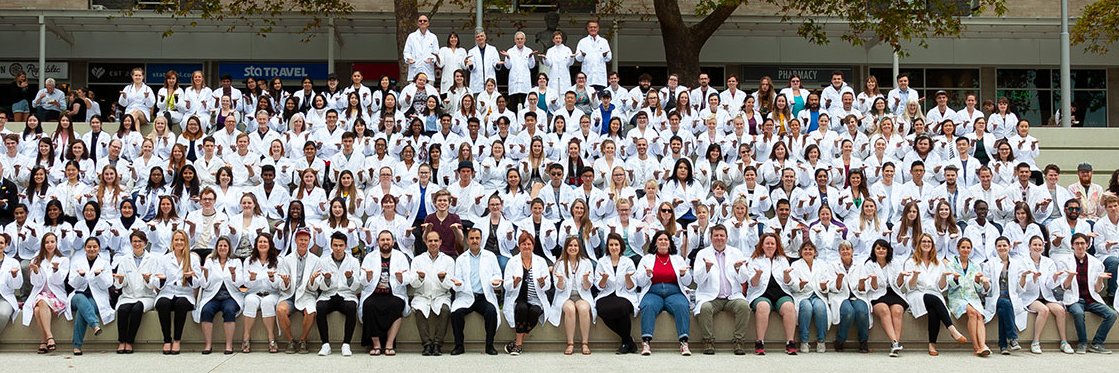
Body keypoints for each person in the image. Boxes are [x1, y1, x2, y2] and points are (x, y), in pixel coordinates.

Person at [903, 233, 967, 356]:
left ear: (932, 245)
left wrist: (943, 276)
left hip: (934, 294)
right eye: (924, 241)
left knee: (934, 310)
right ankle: (952, 330)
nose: (926, 244)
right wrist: (915, 276)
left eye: (929, 242)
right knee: (933, 299)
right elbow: (910, 286)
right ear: (919, 244)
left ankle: (932, 345)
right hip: (917, 294)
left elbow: (941, 287)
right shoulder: (911, 262)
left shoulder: (939, 263)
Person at [634, 230, 693, 356]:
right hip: (653, 292)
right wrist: (647, 274)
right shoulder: (647, 259)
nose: (663, 242)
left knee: (682, 305)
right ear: (655, 243)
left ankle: (684, 343)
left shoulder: (678, 259)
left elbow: (688, 282)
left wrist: (683, 274)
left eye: (666, 239)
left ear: (670, 243)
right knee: (648, 305)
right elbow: (639, 282)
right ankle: (646, 342)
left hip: (674, 293)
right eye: (660, 239)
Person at [693, 225, 750, 355]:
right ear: (711, 237)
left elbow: (743, 279)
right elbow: (697, 280)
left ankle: (739, 341)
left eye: (722, 235)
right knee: (705, 308)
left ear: (727, 238)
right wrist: (706, 268)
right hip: (711, 297)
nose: (719, 238)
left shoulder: (736, 253)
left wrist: (738, 269)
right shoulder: (702, 254)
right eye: (716, 235)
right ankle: (708, 341)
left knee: (744, 306)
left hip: (732, 296)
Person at [449, 228, 503, 355]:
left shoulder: (490, 256)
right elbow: (458, 278)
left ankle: (489, 345)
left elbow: (497, 274)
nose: (474, 241)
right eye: (472, 238)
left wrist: (495, 282)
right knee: (456, 313)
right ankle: (459, 346)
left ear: (481, 239)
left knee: (491, 311)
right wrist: (458, 283)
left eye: (477, 238)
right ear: (467, 240)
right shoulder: (461, 259)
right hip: (466, 296)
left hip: (483, 297)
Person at [1060, 233, 1117, 354]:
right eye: (1077, 243)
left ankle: (1097, 343)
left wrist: (1100, 279)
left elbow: (1097, 289)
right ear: (1072, 245)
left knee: (1112, 314)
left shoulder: (1096, 263)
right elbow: (1065, 287)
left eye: (1082, 243)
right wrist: (1070, 276)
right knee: (1078, 313)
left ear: (1087, 245)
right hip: (1074, 298)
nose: (1080, 246)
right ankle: (1082, 343)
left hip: (1091, 298)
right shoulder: (1065, 262)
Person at [1019, 235, 1075, 354]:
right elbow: (1023, 286)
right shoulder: (1022, 261)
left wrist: (1054, 277)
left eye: (1040, 245)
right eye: (1034, 245)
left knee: (1060, 310)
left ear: (1043, 247)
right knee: (1044, 310)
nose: (1037, 247)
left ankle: (1064, 342)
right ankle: (1035, 342)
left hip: (1046, 296)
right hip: (1030, 297)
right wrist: (1033, 278)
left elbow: (1050, 285)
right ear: (1029, 247)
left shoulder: (1049, 262)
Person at [501, 231, 554, 356]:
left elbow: (548, 285)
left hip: (536, 298)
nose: (526, 247)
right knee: (522, 308)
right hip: (518, 298)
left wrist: (542, 283)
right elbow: (506, 285)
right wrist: (514, 283)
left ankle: (517, 342)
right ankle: (518, 346)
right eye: (523, 244)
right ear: (519, 246)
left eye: (529, 244)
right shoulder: (512, 262)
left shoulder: (541, 261)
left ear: (533, 246)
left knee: (535, 311)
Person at [359, 230, 411, 356]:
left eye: (388, 240)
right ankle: (376, 344)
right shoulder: (369, 257)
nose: (385, 242)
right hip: (374, 293)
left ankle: (389, 344)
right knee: (368, 305)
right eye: (382, 240)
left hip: (394, 293)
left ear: (393, 242)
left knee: (397, 305)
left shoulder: (401, 256)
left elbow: (408, 277)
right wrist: (368, 277)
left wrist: (400, 278)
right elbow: (362, 279)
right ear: (378, 242)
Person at [745, 232, 798, 355]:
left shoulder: (782, 260)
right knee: (763, 306)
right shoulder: (754, 260)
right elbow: (753, 283)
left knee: (789, 307)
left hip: (780, 292)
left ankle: (790, 342)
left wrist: (786, 276)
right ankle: (760, 342)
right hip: (761, 293)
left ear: (776, 245)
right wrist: (757, 275)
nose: (770, 246)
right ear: (762, 245)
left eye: (772, 243)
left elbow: (789, 282)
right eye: (767, 243)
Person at [311, 232, 361, 357]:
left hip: (347, 294)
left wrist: (350, 278)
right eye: (335, 245)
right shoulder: (323, 261)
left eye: (341, 245)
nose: (338, 248)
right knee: (320, 307)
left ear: (345, 246)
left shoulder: (354, 261)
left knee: (351, 307)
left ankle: (346, 344)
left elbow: (356, 286)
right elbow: (320, 286)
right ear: (331, 246)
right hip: (328, 294)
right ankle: (325, 344)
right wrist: (327, 279)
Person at [155, 230, 202, 355]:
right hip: (167, 292)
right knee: (163, 303)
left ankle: (176, 340)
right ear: (172, 242)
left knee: (181, 303)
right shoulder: (164, 259)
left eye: (182, 240)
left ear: (186, 242)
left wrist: (190, 278)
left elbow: (198, 282)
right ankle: (167, 340)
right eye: (176, 240)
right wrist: (161, 280)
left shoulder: (193, 259)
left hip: (185, 293)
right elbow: (156, 280)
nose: (179, 242)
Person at [112, 231, 159, 354]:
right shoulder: (124, 259)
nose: (137, 244)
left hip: (146, 296)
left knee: (137, 309)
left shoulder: (153, 259)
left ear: (145, 243)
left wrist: (148, 280)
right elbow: (119, 284)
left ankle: (129, 342)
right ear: (130, 243)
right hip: (128, 296)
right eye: (134, 241)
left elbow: (154, 284)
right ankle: (122, 341)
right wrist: (120, 280)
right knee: (123, 309)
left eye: (140, 241)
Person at [944, 238, 993, 356]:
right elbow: (950, 284)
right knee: (972, 313)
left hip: (972, 297)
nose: (966, 250)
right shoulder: (951, 264)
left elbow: (979, 289)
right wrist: (955, 279)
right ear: (958, 248)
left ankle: (983, 345)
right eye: (963, 247)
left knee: (979, 315)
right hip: (957, 297)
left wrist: (977, 280)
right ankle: (976, 347)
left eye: (968, 247)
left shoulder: (975, 265)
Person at [195, 237, 244, 355]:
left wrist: (233, 274)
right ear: (216, 247)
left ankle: (229, 345)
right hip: (213, 296)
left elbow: (240, 283)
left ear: (229, 248)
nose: (222, 248)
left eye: (225, 246)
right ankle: (208, 345)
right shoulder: (210, 261)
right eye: (220, 245)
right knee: (206, 310)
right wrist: (205, 275)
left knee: (229, 310)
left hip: (230, 296)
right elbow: (204, 285)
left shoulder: (236, 262)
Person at [411, 230, 456, 356]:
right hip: (422, 295)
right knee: (419, 310)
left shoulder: (448, 261)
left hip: (441, 295)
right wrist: (420, 278)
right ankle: (426, 344)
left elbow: (450, 284)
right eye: (430, 240)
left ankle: (437, 344)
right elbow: (413, 283)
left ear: (440, 242)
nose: (433, 243)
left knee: (445, 310)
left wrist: (443, 279)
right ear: (425, 242)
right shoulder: (417, 260)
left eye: (436, 240)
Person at [276, 228, 319, 354]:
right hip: (290, 294)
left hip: (307, 294)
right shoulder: (286, 259)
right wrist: (286, 282)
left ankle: (303, 340)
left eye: (305, 240)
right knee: (280, 310)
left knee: (311, 312)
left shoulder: (316, 260)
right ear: (295, 240)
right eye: (300, 239)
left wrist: (312, 281)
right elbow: (281, 284)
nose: (303, 242)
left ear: (309, 242)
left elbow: (315, 286)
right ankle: (290, 341)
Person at [552, 236, 596, 355]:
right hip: (565, 296)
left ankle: (585, 343)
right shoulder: (559, 264)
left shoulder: (586, 263)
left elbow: (587, 287)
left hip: (582, 296)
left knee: (584, 309)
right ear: (566, 248)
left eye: (575, 245)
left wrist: (586, 279)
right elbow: (559, 288)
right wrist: (560, 280)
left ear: (579, 247)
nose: (573, 248)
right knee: (570, 309)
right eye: (570, 245)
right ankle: (570, 344)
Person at [240, 234, 281, 353]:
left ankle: (271, 337)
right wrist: (252, 279)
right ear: (256, 245)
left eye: (265, 242)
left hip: (272, 293)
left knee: (267, 302)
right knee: (250, 301)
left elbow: (278, 284)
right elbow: (246, 284)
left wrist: (272, 278)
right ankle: (246, 337)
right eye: (260, 242)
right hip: (254, 292)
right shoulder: (248, 261)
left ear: (270, 244)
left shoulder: (278, 261)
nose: (262, 244)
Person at [790, 241, 832, 353]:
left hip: (818, 294)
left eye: (810, 249)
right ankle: (804, 341)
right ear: (800, 252)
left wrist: (823, 286)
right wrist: (800, 285)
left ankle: (821, 341)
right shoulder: (795, 265)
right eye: (805, 249)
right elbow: (793, 284)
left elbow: (827, 281)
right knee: (806, 308)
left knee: (820, 308)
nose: (808, 251)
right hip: (802, 295)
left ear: (815, 252)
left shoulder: (822, 264)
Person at [575, 20, 611, 90]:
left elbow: (609, 58)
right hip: (588, 77)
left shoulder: (603, 41)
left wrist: (605, 55)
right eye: (591, 27)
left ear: (598, 28)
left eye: (595, 27)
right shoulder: (583, 42)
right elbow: (577, 58)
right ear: (587, 28)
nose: (593, 29)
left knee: (600, 96)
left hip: (600, 79)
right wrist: (582, 55)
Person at [403, 15, 439, 82]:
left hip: (428, 71)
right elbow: (406, 51)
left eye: (425, 21)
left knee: (429, 88)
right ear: (417, 23)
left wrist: (432, 58)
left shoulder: (433, 37)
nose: (422, 22)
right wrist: (409, 59)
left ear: (428, 23)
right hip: (414, 71)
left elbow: (436, 52)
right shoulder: (411, 36)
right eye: (420, 21)